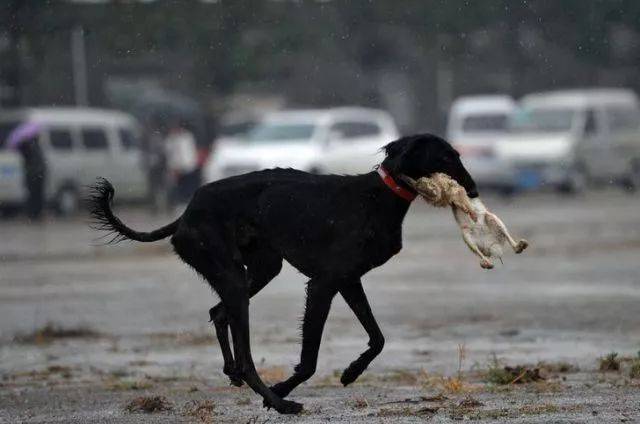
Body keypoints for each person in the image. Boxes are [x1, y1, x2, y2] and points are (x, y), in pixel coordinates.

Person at [164, 120, 198, 207]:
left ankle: (187, 200)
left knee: (188, 185)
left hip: (188, 165)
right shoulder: (170, 139)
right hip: (177, 167)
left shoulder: (187, 137)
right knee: (178, 186)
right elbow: (169, 153)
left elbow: (189, 151)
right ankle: (179, 201)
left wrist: (191, 162)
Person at [18, 135, 47, 220]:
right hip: (35, 177)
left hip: (34, 176)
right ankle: (34, 214)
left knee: (34, 196)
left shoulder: (32, 149)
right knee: (35, 196)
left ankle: (34, 214)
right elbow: (37, 164)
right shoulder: (32, 149)